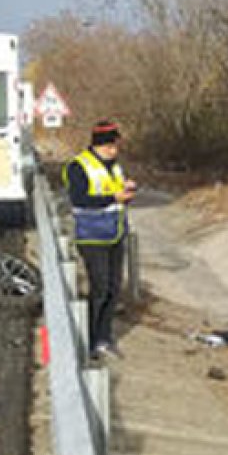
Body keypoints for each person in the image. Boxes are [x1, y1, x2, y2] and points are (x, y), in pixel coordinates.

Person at [63, 120, 137, 360]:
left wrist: (126, 191)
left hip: (115, 233)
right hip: (92, 236)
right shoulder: (78, 166)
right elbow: (80, 199)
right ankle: (90, 341)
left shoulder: (115, 167)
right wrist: (113, 197)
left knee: (114, 289)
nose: (116, 150)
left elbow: (116, 196)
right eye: (113, 145)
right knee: (100, 289)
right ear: (102, 145)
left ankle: (104, 338)